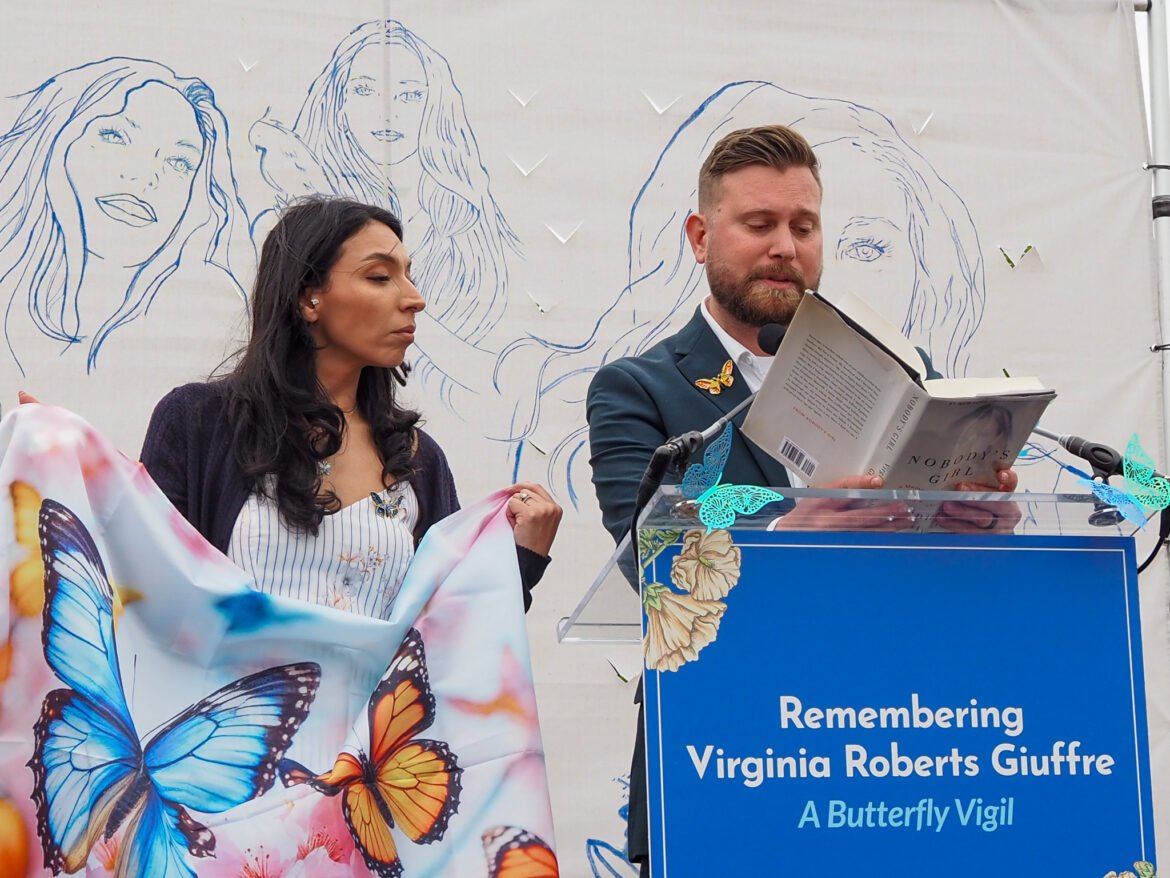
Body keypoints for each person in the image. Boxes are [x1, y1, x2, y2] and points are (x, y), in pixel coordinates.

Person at [586, 124, 1016, 876]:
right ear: (699, 235)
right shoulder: (638, 389)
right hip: (722, 755)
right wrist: (794, 524)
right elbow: (645, 556)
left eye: (804, 226)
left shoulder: (905, 379)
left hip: (889, 753)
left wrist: (970, 517)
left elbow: (930, 581)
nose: (786, 246)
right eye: (760, 224)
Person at [139, 196, 561, 619]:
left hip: (376, 689)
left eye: (409, 277)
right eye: (380, 277)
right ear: (308, 298)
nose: (415, 299)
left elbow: (451, 642)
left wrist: (521, 559)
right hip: (232, 686)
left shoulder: (419, 459)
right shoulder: (198, 422)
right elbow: (146, 598)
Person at [0, 57, 250, 375]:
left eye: (179, 161)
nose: (146, 177)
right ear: (55, 142)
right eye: (116, 136)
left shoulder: (212, 315)